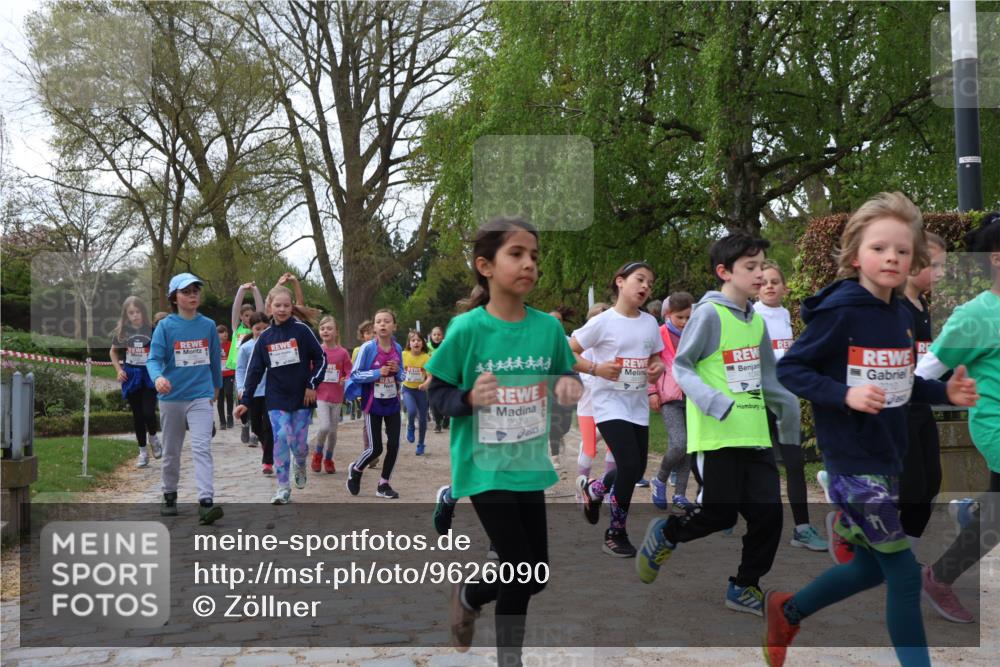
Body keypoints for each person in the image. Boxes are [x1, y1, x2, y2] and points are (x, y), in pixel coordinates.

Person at [763, 192, 979, 667]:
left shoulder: (902, 315)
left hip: (887, 463)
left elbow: (901, 384)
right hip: (851, 466)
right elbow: (791, 370)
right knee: (903, 574)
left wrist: (947, 395)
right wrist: (845, 394)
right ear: (855, 252)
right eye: (880, 248)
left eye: (902, 251)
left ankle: (787, 610)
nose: (892, 258)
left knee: (868, 568)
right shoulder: (842, 310)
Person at [425, 216, 581, 666]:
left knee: (537, 574)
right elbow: (437, 394)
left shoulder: (548, 329)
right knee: (517, 569)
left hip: (527, 463)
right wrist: (470, 397)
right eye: (516, 254)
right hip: (484, 465)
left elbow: (563, 375)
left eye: (534, 256)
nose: (529, 263)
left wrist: (568, 388)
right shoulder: (467, 329)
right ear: (485, 266)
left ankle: (471, 594)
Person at [634, 234, 800, 618]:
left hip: (755, 434)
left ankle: (745, 585)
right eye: (751, 267)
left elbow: (767, 377)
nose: (760, 274)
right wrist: (713, 401)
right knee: (720, 515)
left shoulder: (755, 321)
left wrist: (788, 408)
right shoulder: (708, 314)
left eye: (763, 265)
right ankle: (667, 533)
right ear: (724, 272)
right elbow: (683, 366)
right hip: (718, 435)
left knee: (769, 516)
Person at [915, 212, 1000, 625]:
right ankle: (941, 575)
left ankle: (970, 520)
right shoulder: (974, 315)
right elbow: (924, 373)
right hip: (995, 424)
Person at [571, 261, 666, 557]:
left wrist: (656, 371)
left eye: (650, 283)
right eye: (640, 279)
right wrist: (596, 368)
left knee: (636, 468)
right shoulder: (603, 321)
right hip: (609, 404)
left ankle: (595, 490)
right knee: (626, 466)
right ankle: (615, 532)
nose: (645, 287)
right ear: (620, 282)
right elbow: (568, 352)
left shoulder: (650, 323)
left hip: (636, 404)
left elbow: (657, 359)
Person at [753, 261, 826, 552]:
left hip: (787, 400)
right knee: (761, 466)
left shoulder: (789, 316)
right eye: (763, 282)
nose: (769, 286)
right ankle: (751, 522)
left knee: (795, 464)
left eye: (775, 281)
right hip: (758, 401)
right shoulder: (750, 316)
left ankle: (802, 528)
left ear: (785, 287)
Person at [234, 286, 326, 505]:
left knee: (300, 445)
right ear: (269, 307)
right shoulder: (265, 337)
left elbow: (321, 358)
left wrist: (312, 385)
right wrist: (245, 400)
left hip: (303, 397)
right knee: (282, 438)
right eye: (278, 305)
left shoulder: (302, 331)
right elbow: (254, 371)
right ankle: (283, 487)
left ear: (292, 306)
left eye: (286, 305)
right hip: (276, 398)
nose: (282, 309)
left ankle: (301, 461)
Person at [146, 273, 224, 525]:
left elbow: (214, 359)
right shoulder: (165, 327)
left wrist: (216, 388)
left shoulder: (208, 325)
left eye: (195, 291)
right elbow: (154, 359)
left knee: (202, 447)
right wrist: (158, 378)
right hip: (172, 397)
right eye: (186, 292)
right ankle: (169, 494)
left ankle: (206, 501)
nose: (192, 295)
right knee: (171, 450)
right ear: (174, 297)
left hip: (200, 395)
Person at [897, 233, 948, 555]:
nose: (941, 273)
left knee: (930, 486)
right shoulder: (895, 307)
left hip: (922, 408)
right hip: (898, 411)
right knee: (910, 489)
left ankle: (905, 556)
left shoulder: (923, 304)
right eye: (936, 265)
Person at [343, 309, 405, 499]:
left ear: (394, 326)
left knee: (394, 444)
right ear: (374, 327)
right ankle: (356, 469)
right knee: (375, 448)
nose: (383, 324)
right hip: (373, 404)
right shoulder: (368, 348)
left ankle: (383, 484)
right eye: (379, 321)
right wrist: (378, 373)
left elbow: (403, 375)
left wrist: (396, 372)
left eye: (387, 321)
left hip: (392, 403)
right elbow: (355, 375)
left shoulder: (398, 349)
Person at [648, 292, 694, 512]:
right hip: (669, 398)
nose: (685, 322)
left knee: (690, 447)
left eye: (688, 317)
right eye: (680, 318)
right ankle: (660, 479)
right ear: (668, 315)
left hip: (693, 397)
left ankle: (680, 494)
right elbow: (649, 363)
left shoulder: (695, 333)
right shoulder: (658, 334)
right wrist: (651, 392)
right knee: (679, 444)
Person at [109, 296, 160, 468]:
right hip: (131, 376)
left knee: (148, 412)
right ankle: (143, 452)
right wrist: (119, 370)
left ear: (143, 313)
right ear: (126, 315)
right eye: (131, 313)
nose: (135, 315)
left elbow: (161, 350)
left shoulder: (152, 330)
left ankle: (153, 437)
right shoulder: (123, 332)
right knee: (137, 416)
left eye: (138, 312)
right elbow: (113, 353)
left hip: (149, 374)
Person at [574, 302, 616, 484]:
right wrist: (598, 373)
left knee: (613, 447)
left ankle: (607, 488)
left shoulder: (612, 342)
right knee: (589, 449)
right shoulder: (581, 341)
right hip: (588, 403)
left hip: (610, 401)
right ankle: (581, 486)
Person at [312, 315, 351, 474]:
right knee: (324, 427)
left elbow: (350, 372)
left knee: (333, 432)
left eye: (329, 328)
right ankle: (317, 454)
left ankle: (328, 458)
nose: (325, 331)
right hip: (321, 396)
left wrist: (345, 379)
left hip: (337, 397)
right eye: (322, 328)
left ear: (336, 332)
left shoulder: (342, 353)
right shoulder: (317, 350)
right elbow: (311, 370)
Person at [235, 312, 274, 474]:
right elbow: (241, 369)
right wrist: (241, 388)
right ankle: (266, 445)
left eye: (265, 328)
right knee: (257, 426)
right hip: (253, 392)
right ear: (251, 329)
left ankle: (268, 462)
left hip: (271, 391)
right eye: (258, 329)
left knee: (268, 426)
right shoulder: (245, 347)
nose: (262, 332)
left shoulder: (273, 344)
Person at [229, 282, 264, 443]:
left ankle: (255, 434)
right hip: (240, 370)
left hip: (258, 375)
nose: (249, 318)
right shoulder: (237, 329)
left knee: (256, 403)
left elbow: (261, 309)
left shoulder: (259, 330)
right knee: (241, 399)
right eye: (246, 316)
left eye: (252, 315)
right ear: (242, 318)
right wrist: (241, 289)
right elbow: (235, 309)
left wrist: (255, 290)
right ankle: (245, 424)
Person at [401, 330, 432, 456]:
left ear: (423, 343)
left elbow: (430, 376)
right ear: (409, 343)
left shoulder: (426, 357)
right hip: (408, 389)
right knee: (412, 411)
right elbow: (398, 369)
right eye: (413, 340)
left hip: (421, 392)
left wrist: (425, 384)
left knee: (423, 420)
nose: (416, 342)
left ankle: (420, 444)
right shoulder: (404, 354)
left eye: (419, 340)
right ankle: (410, 427)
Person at [428, 325, 450, 432]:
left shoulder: (446, 346)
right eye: (434, 334)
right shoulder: (427, 347)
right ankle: (437, 423)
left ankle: (447, 417)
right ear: (431, 336)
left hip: (444, 377)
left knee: (444, 400)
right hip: (431, 378)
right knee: (433, 402)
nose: (436, 336)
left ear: (442, 336)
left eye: (439, 334)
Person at [216, 324, 236, 430]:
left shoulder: (231, 344)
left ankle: (230, 417)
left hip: (229, 374)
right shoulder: (213, 345)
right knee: (220, 398)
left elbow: (235, 358)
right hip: (219, 375)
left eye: (226, 332)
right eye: (222, 332)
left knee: (229, 394)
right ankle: (222, 421)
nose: (225, 334)